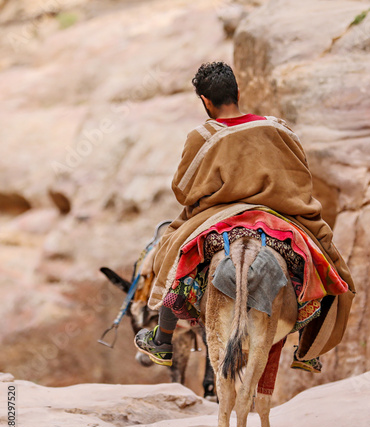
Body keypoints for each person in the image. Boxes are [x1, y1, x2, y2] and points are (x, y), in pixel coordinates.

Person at [135, 61, 355, 371]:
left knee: (173, 250)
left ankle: (163, 340)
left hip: (218, 215)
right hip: (278, 213)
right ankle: (309, 347)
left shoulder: (202, 135)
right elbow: (300, 174)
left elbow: (183, 190)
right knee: (327, 258)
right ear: (237, 91)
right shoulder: (277, 127)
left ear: (205, 101)